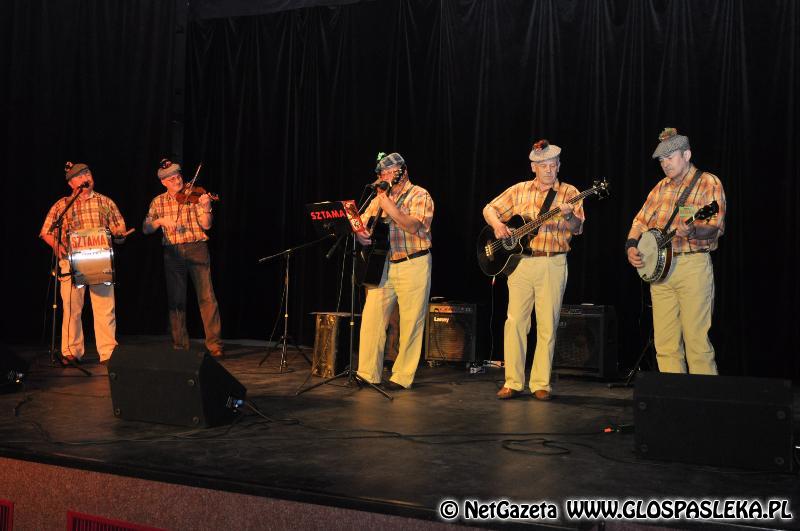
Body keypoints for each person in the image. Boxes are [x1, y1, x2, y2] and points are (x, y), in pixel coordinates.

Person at [482, 140, 585, 401]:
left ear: (559, 166)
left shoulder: (570, 192)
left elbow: (578, 228)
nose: (549, 170)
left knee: (547, 324)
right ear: (533, 167)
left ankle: (541, 383)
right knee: (515, 322)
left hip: (552, 261)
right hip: (520, 263)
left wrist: (569, 215)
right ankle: (513, 381)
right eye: (543, 165)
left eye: (553, 165)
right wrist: (497, 226)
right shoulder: (519, 190)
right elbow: (489, 209)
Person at [625, 128, 726, 374]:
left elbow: (714, 226)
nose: (665, 164)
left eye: (670, 158)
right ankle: (671, 395)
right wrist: (631, 245)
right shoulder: (660, 187)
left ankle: (703, 396)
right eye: (661, 160)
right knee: (665, 343)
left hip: (692, 266)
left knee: (697, 342)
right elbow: (640, 221)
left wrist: (693, 231)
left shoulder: (708, 182)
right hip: (661, 271)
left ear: (687, 155)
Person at [356, 153, 434, 390]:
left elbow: (413, 225)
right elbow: (362, 221)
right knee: (372, 318)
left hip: (414, 262)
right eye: (382, 173)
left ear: (403, 171)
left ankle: (402, 376)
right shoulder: (379, 198)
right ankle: (367, 373)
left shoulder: (420, 194)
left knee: (411, 323)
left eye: (390, 172)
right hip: (384, 264)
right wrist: (360, 233)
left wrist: (387, 204)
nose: (385, 177)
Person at [40, 162, 129, 365]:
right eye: (79, 176)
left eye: (87, 173)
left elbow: (120, 227)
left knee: (105, 308)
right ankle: (71, 351)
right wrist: (56, 245)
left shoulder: (105, 202)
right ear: (71, 183)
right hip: (71, 262)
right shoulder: (62, 205)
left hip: (100, 260)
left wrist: (119, 234)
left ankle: (108, 352)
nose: (85, 178)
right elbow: (46, 231)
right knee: (72, 308)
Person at [143, 160, 224, 357]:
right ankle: (180, 345)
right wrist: (160, 221)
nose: (177, 180)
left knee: (207, 297)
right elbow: (146, 228)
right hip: (173, 252)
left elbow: (207, 225)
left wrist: (206, 208)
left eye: (178, 176)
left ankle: (215, 345)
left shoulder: (194, 195)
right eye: (171, 179)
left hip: (197, 248)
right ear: (163, 182)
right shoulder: (158, 202)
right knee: (176, 300)